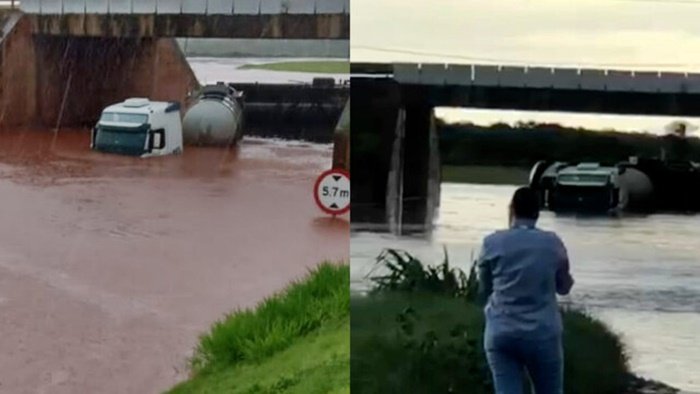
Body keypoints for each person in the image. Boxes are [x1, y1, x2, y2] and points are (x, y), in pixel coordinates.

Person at [477, 186, 574, 394]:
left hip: (501, 330)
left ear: (512, 209)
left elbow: (484, 288)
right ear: (538, 212)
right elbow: (564, 287)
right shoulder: (552, 243)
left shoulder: (491, 243)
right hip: (543, 332)